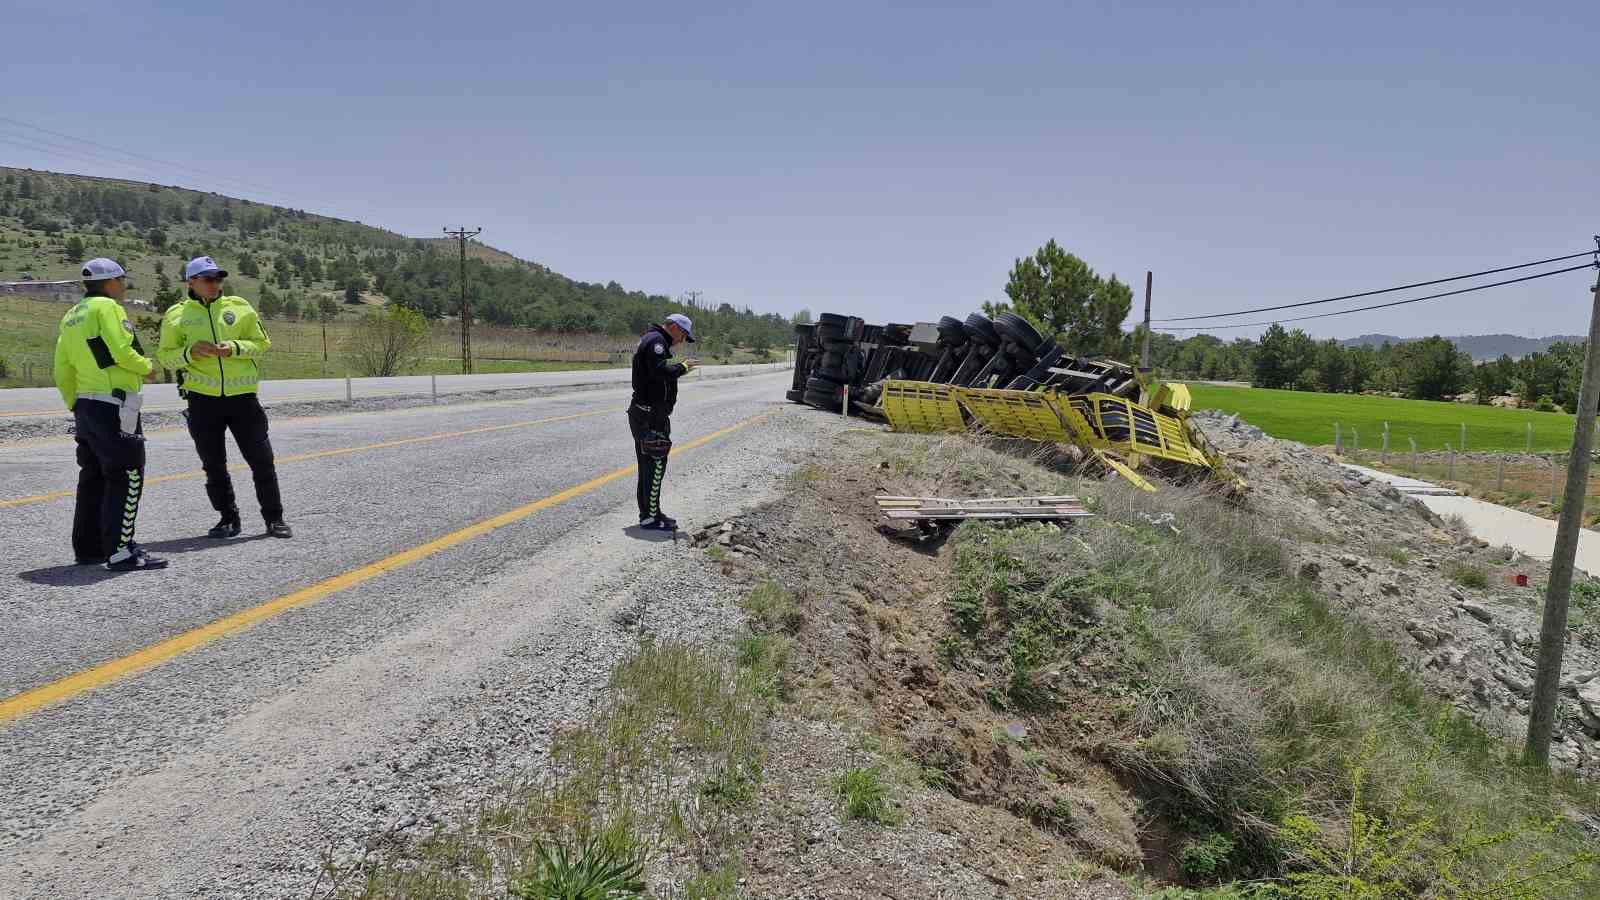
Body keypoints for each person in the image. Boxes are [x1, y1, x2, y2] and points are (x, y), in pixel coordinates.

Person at [157, 256, 291, 539]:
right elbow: (165, 357)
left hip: (243, 399)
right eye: (208, 279)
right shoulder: (176, 315)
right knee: (214, 465)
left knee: (262, 461)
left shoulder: (240, 307)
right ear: (191, 282)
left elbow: (262, 343)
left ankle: (275, 519)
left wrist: (233, 348)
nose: (215, 284)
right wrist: (189, 353)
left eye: (218, 278)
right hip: (203, 401)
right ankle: (228, 519)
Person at [53, 257, 168, 571]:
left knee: (92, 476)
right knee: (127, 475)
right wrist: (147, 367)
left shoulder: (71, 315)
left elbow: (62, 368)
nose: (124, 286)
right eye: (123, 280)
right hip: (115, 404)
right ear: (112, 282)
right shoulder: (109, 308)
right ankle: (120, 551)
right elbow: (120, 350)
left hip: (86, 405)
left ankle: (89, 548)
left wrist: (74, 403)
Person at [629, 313, 698, 530]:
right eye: (684, 336)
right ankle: (650, 517)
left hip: (648, 414)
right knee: (654, 465)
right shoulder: (656, 342)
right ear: (675, 328)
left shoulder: (653, 339)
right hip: (650, 416)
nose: (682, 341)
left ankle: (651, 513)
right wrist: (683, 367)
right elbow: (658, 372)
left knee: (649, 465)